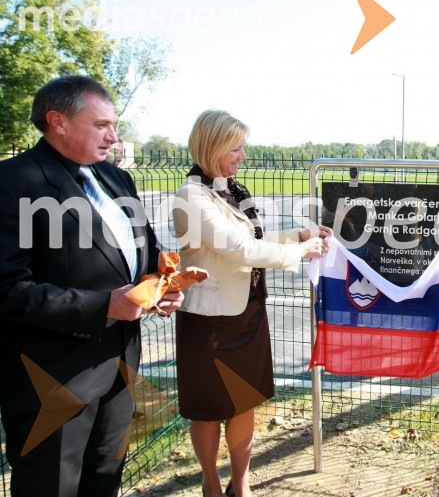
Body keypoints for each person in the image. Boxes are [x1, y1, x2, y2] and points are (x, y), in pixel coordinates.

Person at [0, 75, 184, 497]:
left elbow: (147, 252)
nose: (114, 137)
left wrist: (159, 286)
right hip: (52, 381)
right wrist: (103, 305)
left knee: (104, 480)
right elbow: (7, 290)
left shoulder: (118, 180)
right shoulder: (13, 183)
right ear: (57, 121)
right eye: (101, 125)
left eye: (114, 125)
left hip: (120, 369)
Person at [172, 110, 329, 497]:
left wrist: (299, 234)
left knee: (244, 403)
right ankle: (211, 482)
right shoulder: (191, 196)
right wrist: (304, 251)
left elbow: (255, 238)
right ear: (214, 147)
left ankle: (239, 482)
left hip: (247, 313)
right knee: (207, 409)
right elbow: (240, 249)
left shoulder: (232, 192)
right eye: (236, 148)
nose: (243, 155)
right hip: (208, 320)